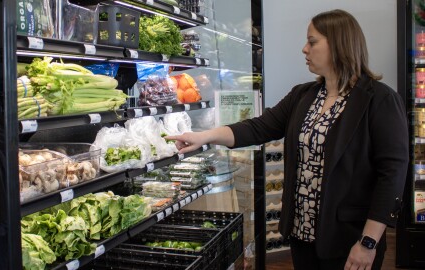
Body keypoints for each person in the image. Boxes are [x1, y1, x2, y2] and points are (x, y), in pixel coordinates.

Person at [166, 9, 408, 270]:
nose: (305, 49)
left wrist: (368, 242)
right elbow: (257, 128)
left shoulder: (378, 99)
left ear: (339, 43)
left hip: (350, 239)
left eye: (312, 41)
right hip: (302, 233)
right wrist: (204, 137)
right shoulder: (304, 95)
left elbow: (392, 174)